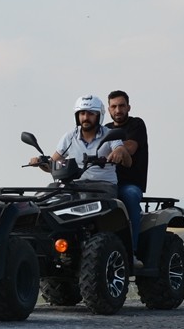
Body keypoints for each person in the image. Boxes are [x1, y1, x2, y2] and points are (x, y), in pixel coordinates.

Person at [31, 94, 138, 265]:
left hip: (102, 186)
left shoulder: (110, 135)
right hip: (73, 185)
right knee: (44, 198)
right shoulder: (69, 136)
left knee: (87, 207)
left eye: (90, 113)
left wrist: (120, 152)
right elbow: (53, 163)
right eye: (81, 114)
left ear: (98, 115)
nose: (85, 118)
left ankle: (123, 252)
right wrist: (40, 162)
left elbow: (128, 160)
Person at [105, 90, 147, 259]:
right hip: (104, 182)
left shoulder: (136, 125)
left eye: (121, 106)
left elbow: (129, 148)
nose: (118, 110)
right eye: (114, 106)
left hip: (128, 183)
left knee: (129, 195)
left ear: (128, 107)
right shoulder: (104, 129)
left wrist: (118, 151)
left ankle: (132, 251)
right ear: (108, 109)